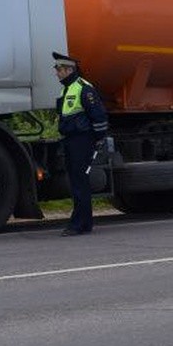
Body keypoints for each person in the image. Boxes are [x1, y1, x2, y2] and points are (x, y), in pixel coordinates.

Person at [53, 51, 108, 236]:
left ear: (69, 69)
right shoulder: (65, 89)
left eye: (59, 69)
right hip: (70, 140)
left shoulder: (84, 88)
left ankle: (79, 224)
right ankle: (84, 223)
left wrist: (98, 139)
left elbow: (98, 115)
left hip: (82, 140)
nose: (56, 72)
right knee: (76, 181)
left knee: (80, 182)